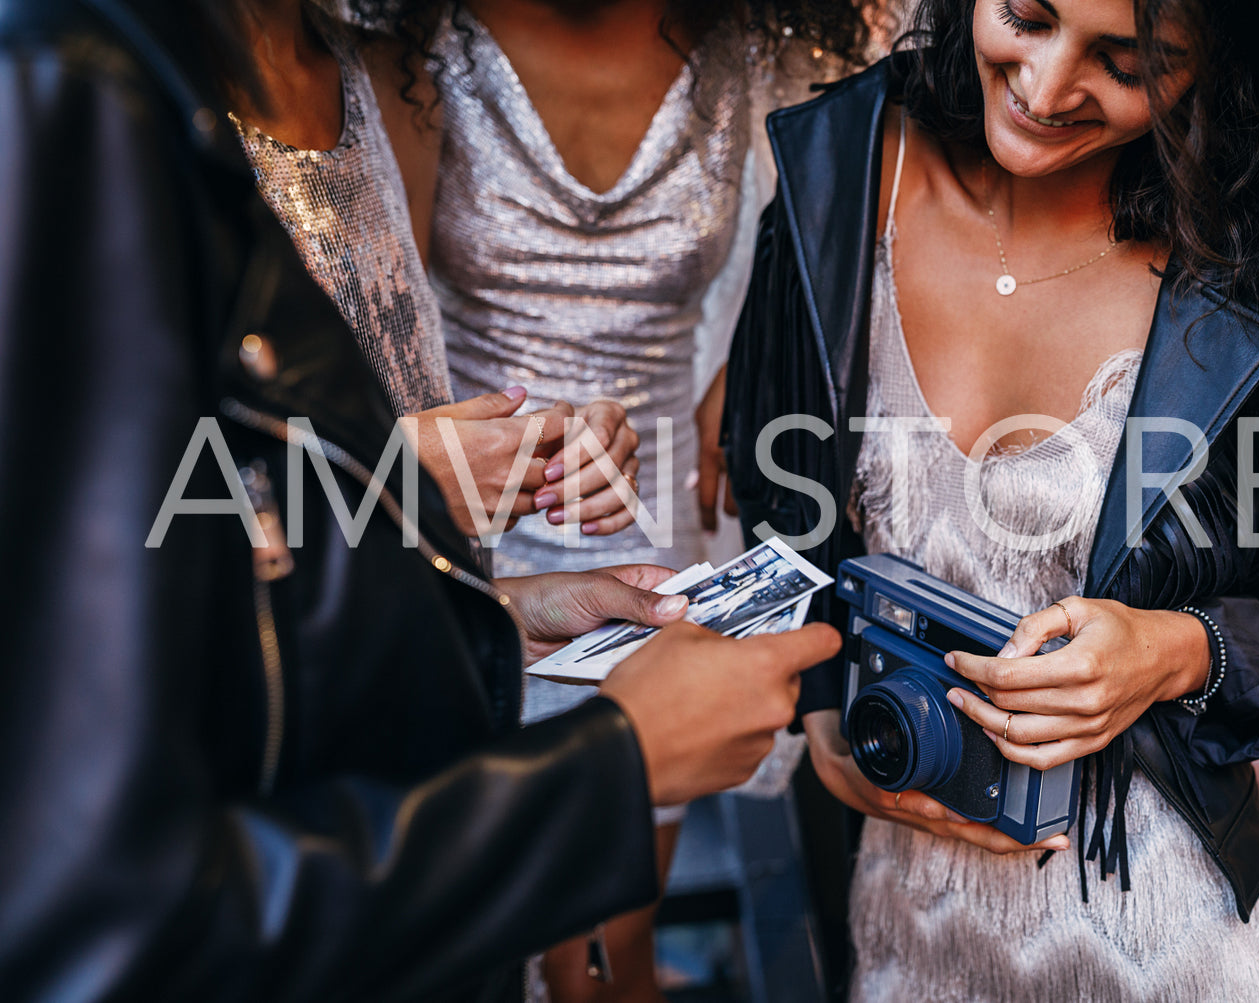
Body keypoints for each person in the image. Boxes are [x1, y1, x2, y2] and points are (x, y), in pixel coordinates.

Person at [0, 2, 841, 1001]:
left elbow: (257, 601)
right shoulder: (69, 93)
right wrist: (606, 775)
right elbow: (97, 908)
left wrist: (495, 611)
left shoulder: (326, 59)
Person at [722, 0, 1259, 998]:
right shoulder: (834, 167)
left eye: (1130, 60)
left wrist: (1172, 651)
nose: (1045, 89)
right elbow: (779, 511)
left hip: (1170, 944)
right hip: (898, 919)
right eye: (1024, 16)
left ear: (1224, 62)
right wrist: (822, 707)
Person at [350, 2, 884, 998]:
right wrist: (448, 490)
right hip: (472, 520)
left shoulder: (753, 39)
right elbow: (389, 334)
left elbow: (845, 198)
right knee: (506, 930)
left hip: (650, 521)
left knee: (616, 935)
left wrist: (741, 357)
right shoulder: (417, 47)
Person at [225, 0, 641, 541]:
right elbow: (140, 492)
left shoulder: (392, 76)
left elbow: (410, 378)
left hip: (430, 586)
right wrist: (397, 473)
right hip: (301, 606)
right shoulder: (141, 110)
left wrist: (554, 445)